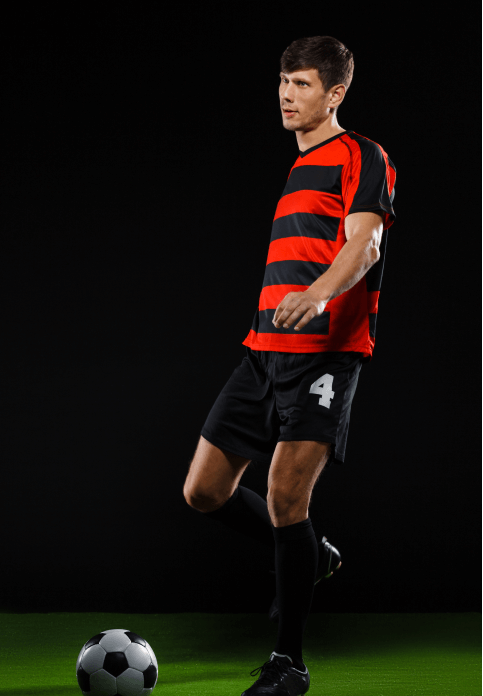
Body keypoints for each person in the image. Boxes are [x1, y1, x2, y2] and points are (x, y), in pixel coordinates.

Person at [183, 35, 396, 696]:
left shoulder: (360, 154)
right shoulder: (298, 167)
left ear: (335, 94)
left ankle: (289, 665)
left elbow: (365, 244)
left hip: (326, 356)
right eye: (283, 81)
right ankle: (313, 554)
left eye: (302, 84)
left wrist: (319, 294)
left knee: (283, 495)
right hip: (262, 353)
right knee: (203, 492)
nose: (286, 94)